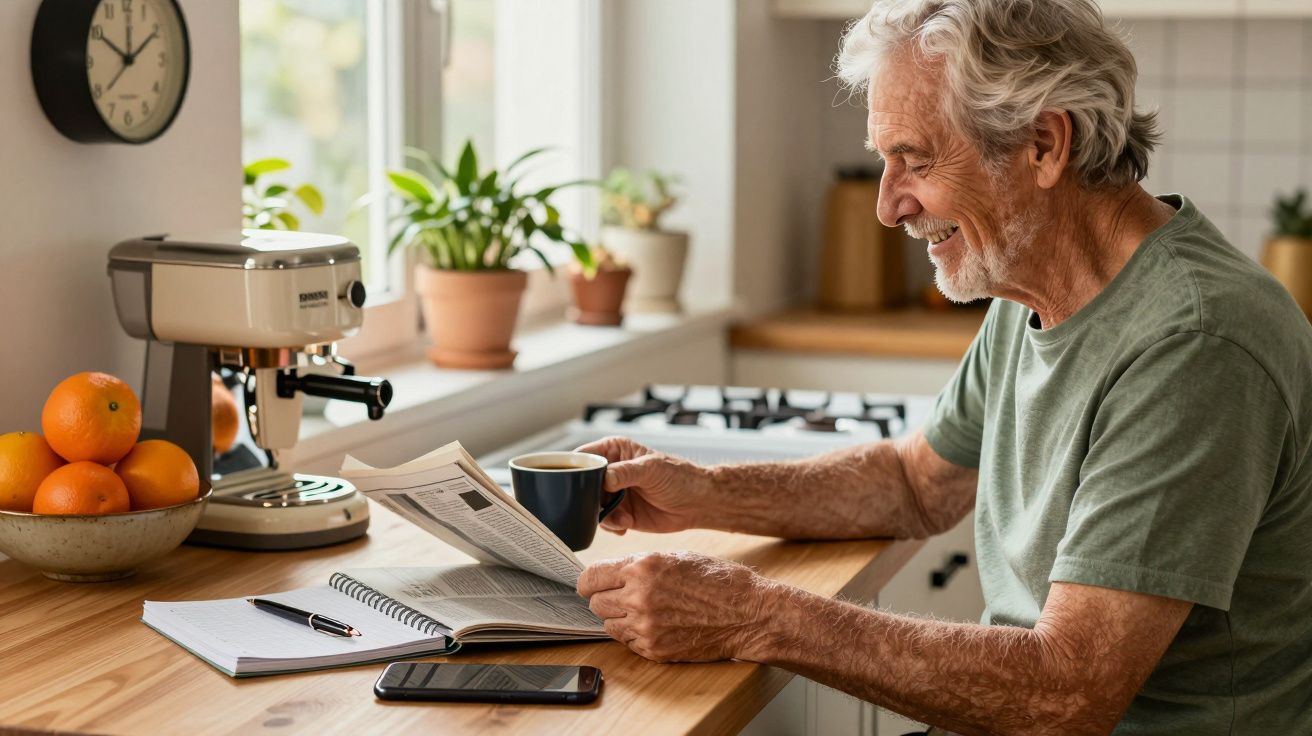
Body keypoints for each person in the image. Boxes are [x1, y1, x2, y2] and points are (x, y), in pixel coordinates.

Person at [574, 0, 1312, 732]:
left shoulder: (1196, 343)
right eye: (884, 162)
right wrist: (703, 491)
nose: (889, 207)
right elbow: (914, 484)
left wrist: (756, 615)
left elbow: (1069, 693)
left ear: (1044, 146)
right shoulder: (1032, 284)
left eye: (915, 160)